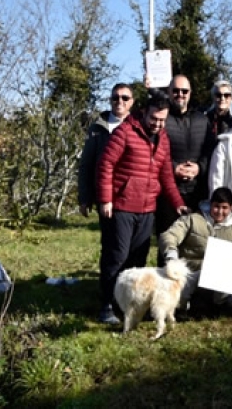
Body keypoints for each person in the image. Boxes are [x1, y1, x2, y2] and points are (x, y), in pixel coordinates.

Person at [96, 94, 188, 325]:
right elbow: (105, 164)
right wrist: (106, 199)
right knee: (116, 257)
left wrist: (178, 203)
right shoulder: (125, 132)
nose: (157, 124)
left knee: (137, 261)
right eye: (154, 119)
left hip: (147, 208)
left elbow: (166, 174)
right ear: (145, 112)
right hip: (121, 207)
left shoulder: (163, 139)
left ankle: (130, 306)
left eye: (162, 120)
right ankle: (107, 305)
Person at [159, 186, 232, 310]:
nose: (220, 211)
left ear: (230, 208)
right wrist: (171, 254)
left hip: (216, 281)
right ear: (210, 204)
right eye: (216, 206)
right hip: (189, 274)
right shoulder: (193, 219)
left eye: (225, 208)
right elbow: (170, 235)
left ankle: (221, 304)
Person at [160, 74, 212, 234]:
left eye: (184, 91)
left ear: (190, 93)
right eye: (175, 90)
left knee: (196, 246)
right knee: (168, 244)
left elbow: (210, 152)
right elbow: (155, 152)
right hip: (168, 195)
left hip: (198, 194)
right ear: (168, 92)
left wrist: (199, 168)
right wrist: (174, 168)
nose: (180, 94)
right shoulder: (162, 118)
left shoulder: (202, 120)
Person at [78, 83, 134, 217]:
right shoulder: (97, 128)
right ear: (110, 100)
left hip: (131, 196)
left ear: (132, 101)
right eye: (115, 98)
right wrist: (84, 198)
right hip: (103, 196)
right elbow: (87, 165)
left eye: (125, 98)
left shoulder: (139, 126)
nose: (120, 101)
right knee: (109, 237)